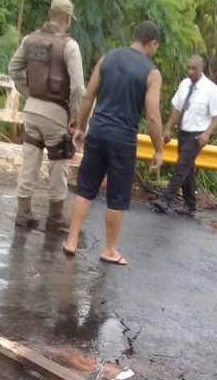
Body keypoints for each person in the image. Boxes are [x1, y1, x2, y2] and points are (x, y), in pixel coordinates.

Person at [62, 21, 164, 266]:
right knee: (117, 197)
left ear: (134, 36)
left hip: (97, 133)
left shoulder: (108, 58)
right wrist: (159, 148)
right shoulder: (151, 73)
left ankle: (71, 241)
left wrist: (82, 127)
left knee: (85, 189)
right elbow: (152, 116)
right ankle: (109, 249)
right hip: (123, 140)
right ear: (152, 44)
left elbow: (88, 95)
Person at [8, 0, 86, 231]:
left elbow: (13, 69)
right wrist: (75, 115)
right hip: (55, 112)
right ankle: (55, 216)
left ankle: (23, 212)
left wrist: (28, 92)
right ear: (67, 18)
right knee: (59, 162)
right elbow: (78, 88)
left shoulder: (30, 40)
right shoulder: (69, 46)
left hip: (32, 109)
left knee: (29, 161)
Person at [149, 54, 217, 216]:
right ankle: (190, 205)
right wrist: (168, 128)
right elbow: (177, 108)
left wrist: (207, 134)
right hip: (183, 132)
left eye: (194, 69)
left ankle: (166, 200)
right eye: (188, 68)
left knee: (181, 166)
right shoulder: (184, 84)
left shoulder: (211, 89)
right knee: (187, 169)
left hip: (197, 135)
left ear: (201, 69)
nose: (190, 72)